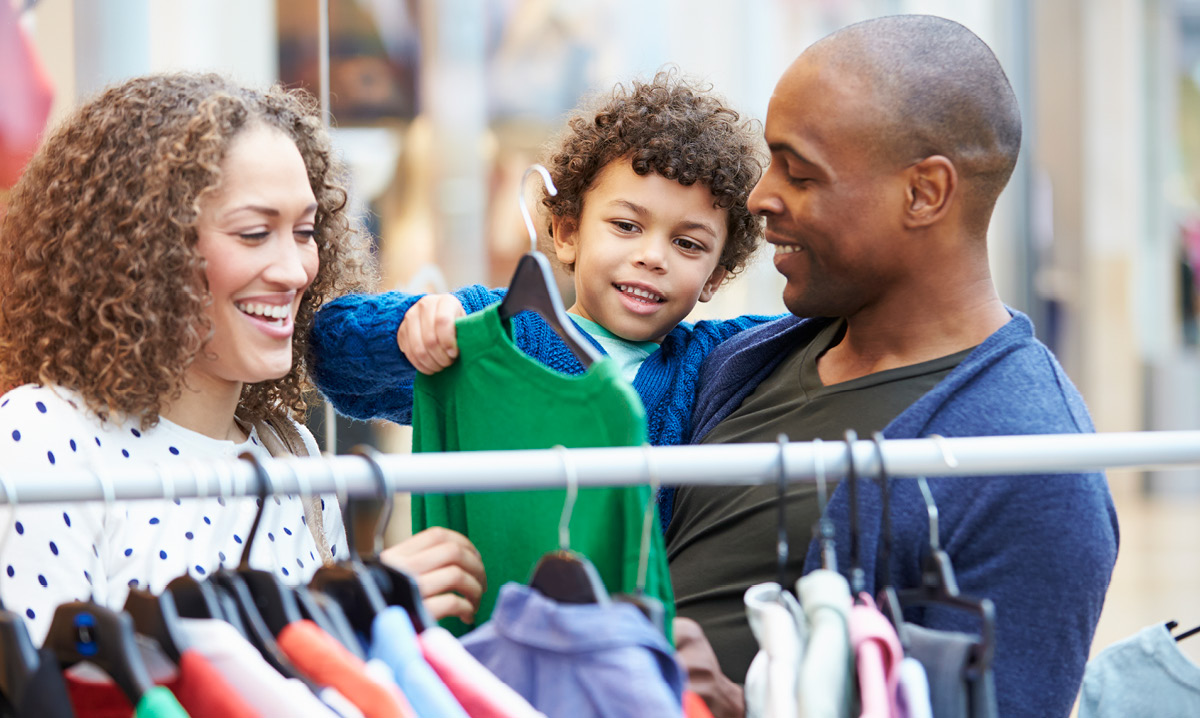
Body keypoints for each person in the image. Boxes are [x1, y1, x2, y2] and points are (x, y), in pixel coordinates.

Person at [666, 15, 1119, 718]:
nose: (759, 198)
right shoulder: (745, 360)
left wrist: (728, 706)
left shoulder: (1033, 463)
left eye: (799, 171)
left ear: (924, 193)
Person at [0, 72, 485, 641]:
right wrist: (347, 606)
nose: (293, 270)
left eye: (306, 232)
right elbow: (52, 689)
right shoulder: (42, 439)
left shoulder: (293, 453)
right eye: (255, 233)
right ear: (143, 250)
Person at [309, 70, 776, 519]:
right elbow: (332, 347)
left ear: (716, 276)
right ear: (568, 232)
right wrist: (431, 322)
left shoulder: (712, 360)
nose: (653, 257)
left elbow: (826, 327)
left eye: (688, 244)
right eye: (626, 226)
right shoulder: (502, 336)